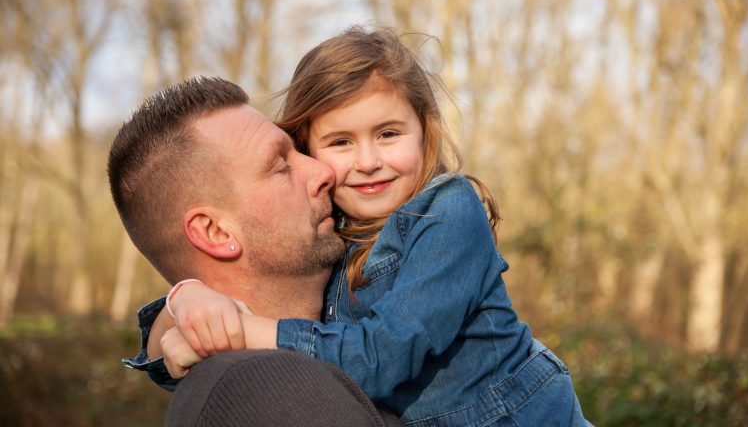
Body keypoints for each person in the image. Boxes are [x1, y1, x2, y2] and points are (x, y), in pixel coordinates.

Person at [158, 27, 591, 426]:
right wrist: (185, 299)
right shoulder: (329, 229)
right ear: (308, 148)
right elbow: (250, 289)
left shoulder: (448, 212)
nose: (368, 163)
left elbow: (383, 356)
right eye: (341, 142)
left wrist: (245, 332)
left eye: (388, 134)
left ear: (424, 130)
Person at [108, 76, 402, 426]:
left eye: (300, 151)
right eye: (280, 166)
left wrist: (182, 301)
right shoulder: (262, 389)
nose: (324, 170)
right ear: (216, 232)